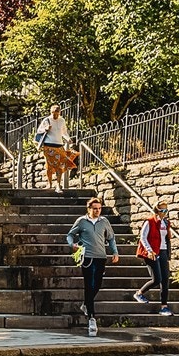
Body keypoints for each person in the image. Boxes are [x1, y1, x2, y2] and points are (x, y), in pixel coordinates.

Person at [67, 196, 119, 337]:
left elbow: (111, 238)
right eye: (95, 209)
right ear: (89, 209)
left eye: (99, 208)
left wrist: (115, 252)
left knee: (97, 284)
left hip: (101, 256)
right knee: (89, 285)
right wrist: (72, 244)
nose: (97, 211)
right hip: (87, 257)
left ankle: (86, 304)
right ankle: (91, 318)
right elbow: (70, 235)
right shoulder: (82, 221)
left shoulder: (104, 221)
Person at [134, 200, 173, 315]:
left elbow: (166, 238)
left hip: (163, 251)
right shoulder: (149, 221)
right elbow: (143, 237)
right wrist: (149, 250)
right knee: (157, 279)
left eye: (166, 210)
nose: (164, 212)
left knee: (165, 280)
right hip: (152, 252)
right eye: (162, 210)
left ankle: (164, 307)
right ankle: (139, 293)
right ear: (157, 210)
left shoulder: (165, 222)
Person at [34, 104, 74, 191]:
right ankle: (50, 183)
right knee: (49, 166)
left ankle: (58, 185)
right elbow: (38, 131)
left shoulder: (62, 120)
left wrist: (68, 139)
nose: (55, 116)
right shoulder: (47, 120)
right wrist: (45, 129)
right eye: (54, 114)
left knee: (59, 166)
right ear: (51, 112)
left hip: (59, 145)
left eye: (57, 114)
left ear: (59, 113)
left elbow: (64, 132)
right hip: (48, 146)